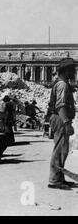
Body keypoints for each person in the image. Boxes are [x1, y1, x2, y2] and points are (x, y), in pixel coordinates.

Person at [48, 58, 76, 190]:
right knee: (59, 150)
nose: (75, 71)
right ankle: (54, 180)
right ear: (65, 71)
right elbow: (61, 106)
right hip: (60, 119)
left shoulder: (63, 84)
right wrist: (67, 123)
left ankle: (59, 178)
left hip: (59, 118)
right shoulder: (62, 85)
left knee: (62, 150)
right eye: (72, 69)